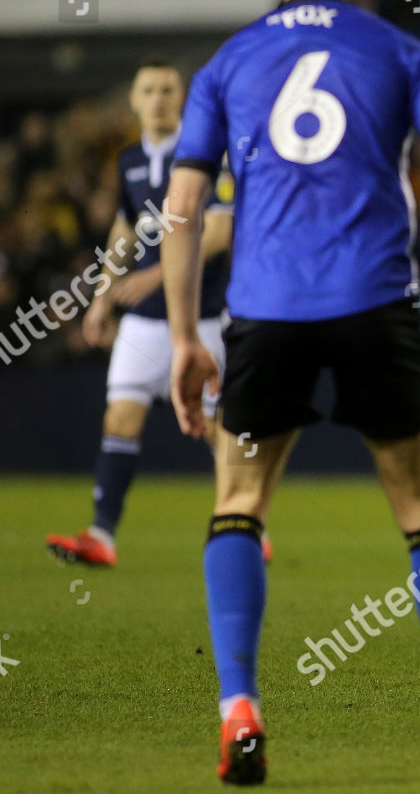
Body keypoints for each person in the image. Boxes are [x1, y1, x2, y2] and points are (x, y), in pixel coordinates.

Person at [162, 0, 420, 783]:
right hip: (375, 308)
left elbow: (184, 207)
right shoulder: (400, 50)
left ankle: (239, 703)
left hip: (265, 314)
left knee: (238, 503)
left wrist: (182, 333)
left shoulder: (228, 65)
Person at [46, 59, 254, 567]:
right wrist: (100, 301)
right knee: (120, 418)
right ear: (134, 101)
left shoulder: (208, 155)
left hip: (203, 314)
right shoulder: (129, 161)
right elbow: (123, 234)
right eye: (148, 91)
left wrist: (156, 273)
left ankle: (249, 525)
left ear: (181, 97)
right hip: (143, 321)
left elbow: (221, 232)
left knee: (215, 426)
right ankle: (103, 536)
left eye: (167, 89)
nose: (158, 98)